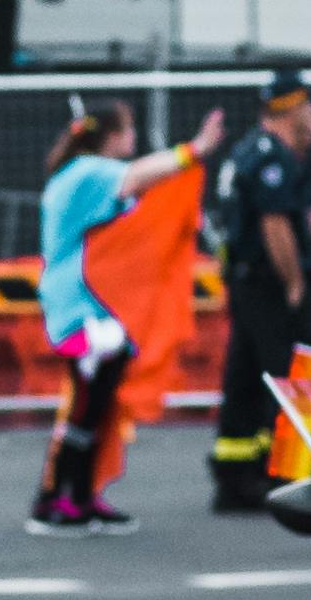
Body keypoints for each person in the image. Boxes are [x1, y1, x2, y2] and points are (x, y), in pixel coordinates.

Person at [29, 99, 223, 530]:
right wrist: (192, 151)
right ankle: (59, 498)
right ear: (112, 136)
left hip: (93, 307)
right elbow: (136, 178)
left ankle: (80, 493)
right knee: (85, 404)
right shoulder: (86, 172)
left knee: (96, 403)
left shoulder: (81, 173)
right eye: (130, 129)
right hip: (80, 308)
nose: (133, 139)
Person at [209, 73, 311, 516]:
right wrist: (294, 282)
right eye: (309, 106)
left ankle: (236, 478)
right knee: (291, 377)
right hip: (267, 282)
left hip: (246, 280)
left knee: (245, 377)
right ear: (290, 108)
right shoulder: (273, 157)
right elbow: (275, 225)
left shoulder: (250, 151)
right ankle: (288, 479)